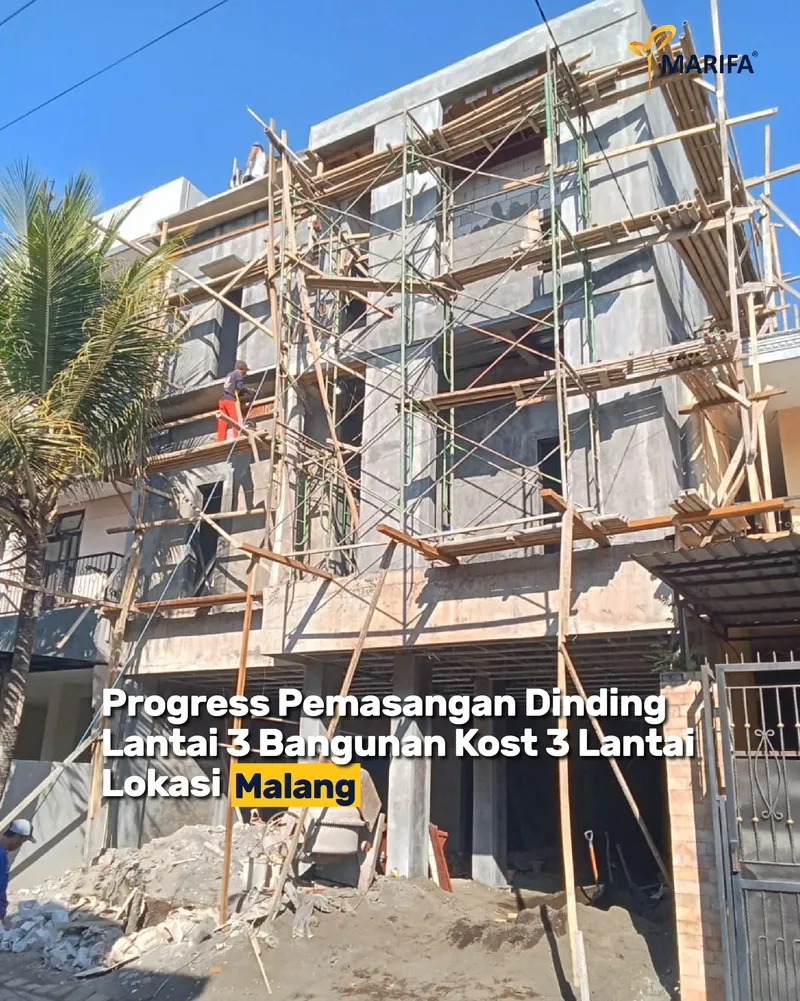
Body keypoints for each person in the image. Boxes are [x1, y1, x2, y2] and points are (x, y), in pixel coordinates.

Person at [0, 819, 35, 925]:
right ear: (16, 837)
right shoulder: (1, 856)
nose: (20, 845)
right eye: (21, 842)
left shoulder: (2, 854)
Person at [217, 360, 255, 441]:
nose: (245, 373)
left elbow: (233, 388)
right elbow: (239, 387)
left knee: (222, 421)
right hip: (230, 400)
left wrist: (243, 393)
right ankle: (237, 437)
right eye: (245, 371)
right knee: (236, 420)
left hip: (222, 400)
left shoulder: (230, 374)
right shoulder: (238, 374)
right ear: (243, 369)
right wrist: (249, 391)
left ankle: (220, 440)